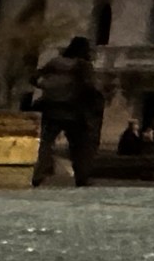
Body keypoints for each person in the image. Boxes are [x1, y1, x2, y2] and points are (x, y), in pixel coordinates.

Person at [30, 37, 104, 188]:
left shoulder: (54, 62)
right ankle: (82, 178)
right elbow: (90, 87)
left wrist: (44, 86)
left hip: (50, 109)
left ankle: (36, 175)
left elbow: (33, 77)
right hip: (73, 111)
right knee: (80, 147)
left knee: (45, 144)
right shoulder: (83, 65)